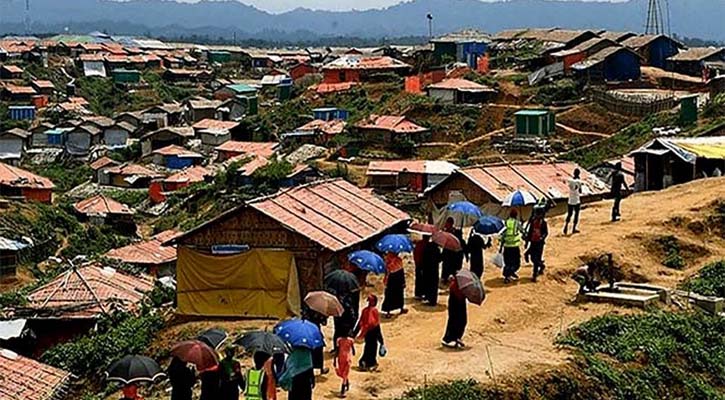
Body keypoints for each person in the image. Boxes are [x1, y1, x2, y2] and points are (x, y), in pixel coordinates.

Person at [354, 294, 385, 371]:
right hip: (373, 333)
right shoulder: (375, 311)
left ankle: (363, 362)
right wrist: (381, 340)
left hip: (367, 333)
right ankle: (370, 363)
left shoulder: (364, 310)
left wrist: (354, 333)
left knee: (367, 347)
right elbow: (377, 326)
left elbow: (360, 323)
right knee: (372, 348)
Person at [441, 276, 467, 348]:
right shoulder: (456, 286)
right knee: (455, 320)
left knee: (461, 320)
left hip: (459, 301)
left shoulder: (459, 285)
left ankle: (456, 338)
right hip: (455, 301)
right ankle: (450, 339)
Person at [525, 206, 549, 282]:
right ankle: (541, 265)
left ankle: (534, 275)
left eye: (539, 215)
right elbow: (530, 232)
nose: (537, 216)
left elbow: (546, 232)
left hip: (540, 244)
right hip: (533, 242)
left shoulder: (544, 223)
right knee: (533, 258)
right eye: (536, 214)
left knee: (536, 259)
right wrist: (526, 242)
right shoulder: (533, 222)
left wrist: (542, 237)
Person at [500, 209, 524, 284]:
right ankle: (509, 274)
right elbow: (522, 231)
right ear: (516, 215)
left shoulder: (506, 222)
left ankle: (508, 274)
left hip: (506, 245)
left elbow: (503, 235)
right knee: (516, 262)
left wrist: (501, 246)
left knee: (507, 262)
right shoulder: (517, 223)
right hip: (514, 246)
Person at [381, 252, 407, 317]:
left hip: (395, 279)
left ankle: (399, 309)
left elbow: (401, 271)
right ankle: (388, 311)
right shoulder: (394, 261)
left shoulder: (392, 261)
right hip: (393, 280)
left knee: (397, 294)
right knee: (391, 295)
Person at [441, 217, 466, 283]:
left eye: (448, 223)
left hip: (453, 253)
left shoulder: (455, 232)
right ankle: (445, 278)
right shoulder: (445, 231)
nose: (446, 224)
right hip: (447, 251)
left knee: (453, 267)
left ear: (451, 223)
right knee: (446, 266)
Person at [422, 239, 442, 306]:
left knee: (428, 283)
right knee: (434, 285)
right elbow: (439, 259)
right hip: (434, 270)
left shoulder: (426, 248)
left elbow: (423, 258)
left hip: (427, 269)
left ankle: (428, 297)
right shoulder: (437, 250)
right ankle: (433, 300)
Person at [564, 168, 583, 235]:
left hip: (570, 200)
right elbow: (580, 191)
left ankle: (565, 226)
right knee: (576, 214)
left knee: (569, 214)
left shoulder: (570, 181)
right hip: (576, 200)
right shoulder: (579, 182)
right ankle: (574, 228)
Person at [413, 234, 429, 299]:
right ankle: (422, 293)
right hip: (423, 264)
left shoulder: (419, 244)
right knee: (424, 279)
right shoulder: (427, 245)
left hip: (418, 264)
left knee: (418, 279)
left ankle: (418, 293)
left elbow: (415, 253)